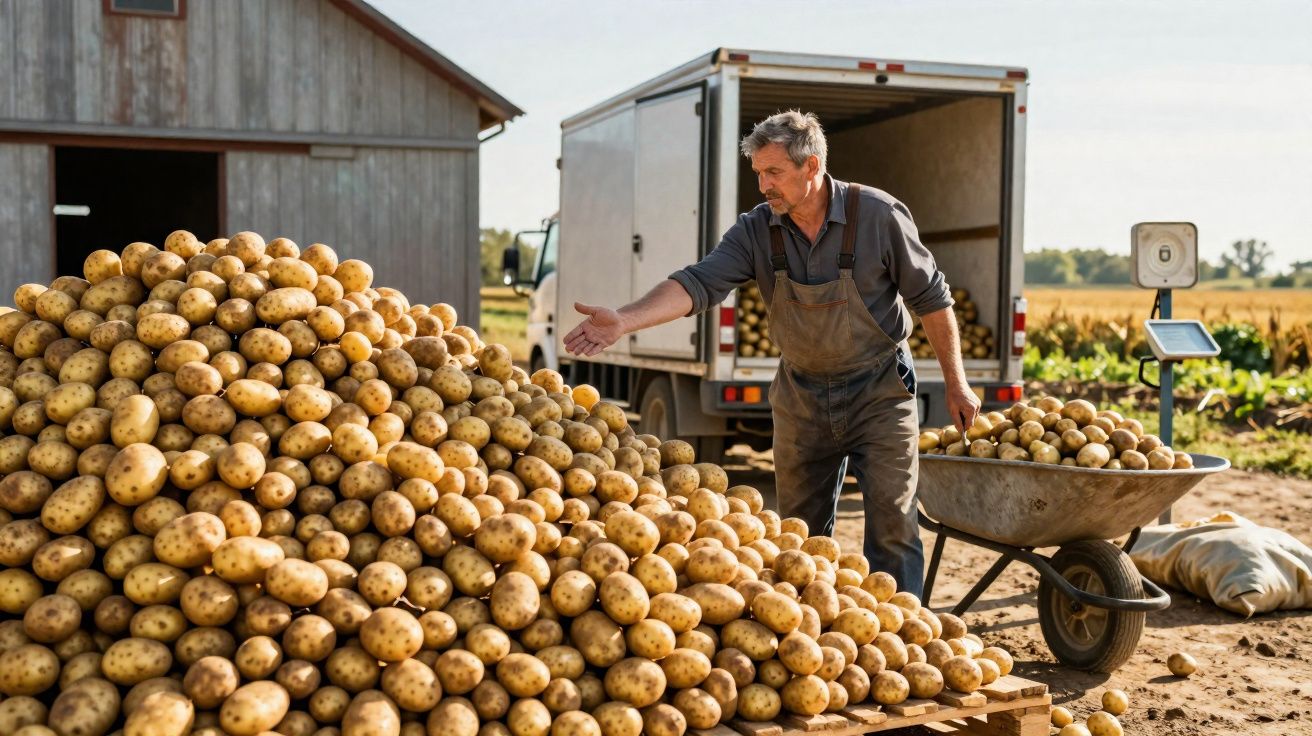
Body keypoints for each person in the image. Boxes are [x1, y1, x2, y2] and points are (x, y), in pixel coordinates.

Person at [563, 110, 979, 595]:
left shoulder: (878, 215)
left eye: (774, 172)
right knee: (798, 534)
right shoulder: (757, 229)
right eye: (758, 173)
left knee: (894, 526)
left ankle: (906, 631)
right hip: (802, 396)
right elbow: (699, 282)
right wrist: (625, 319)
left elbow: (932, 300)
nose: (763, 186)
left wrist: (957, 383)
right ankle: (810, 626)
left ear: (812, 166)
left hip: (880, 392)